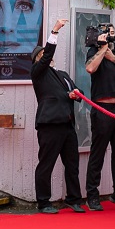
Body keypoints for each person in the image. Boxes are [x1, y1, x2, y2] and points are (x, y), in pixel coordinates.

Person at [30, 17, 82, 213]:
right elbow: (46, 54)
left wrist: (75, 95)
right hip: (50, 124)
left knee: (72, 164)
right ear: (37, 60)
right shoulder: (38, 72)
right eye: (42, 55)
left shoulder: (62, 74)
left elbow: (78, 92)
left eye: (46, 54)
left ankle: (73, 199)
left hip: (67, 124)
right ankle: (43, 202)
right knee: (46, 164)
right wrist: (55, 31)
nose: (46, 56)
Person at [82, 26, 115, 211]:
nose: (110, 35)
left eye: (112, 32)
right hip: (102, 107)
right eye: (107, 32)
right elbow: (90, 68)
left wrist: (112, 56)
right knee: (97, 153)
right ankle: (92, 195)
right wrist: (102, 49)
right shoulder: (93, 51)